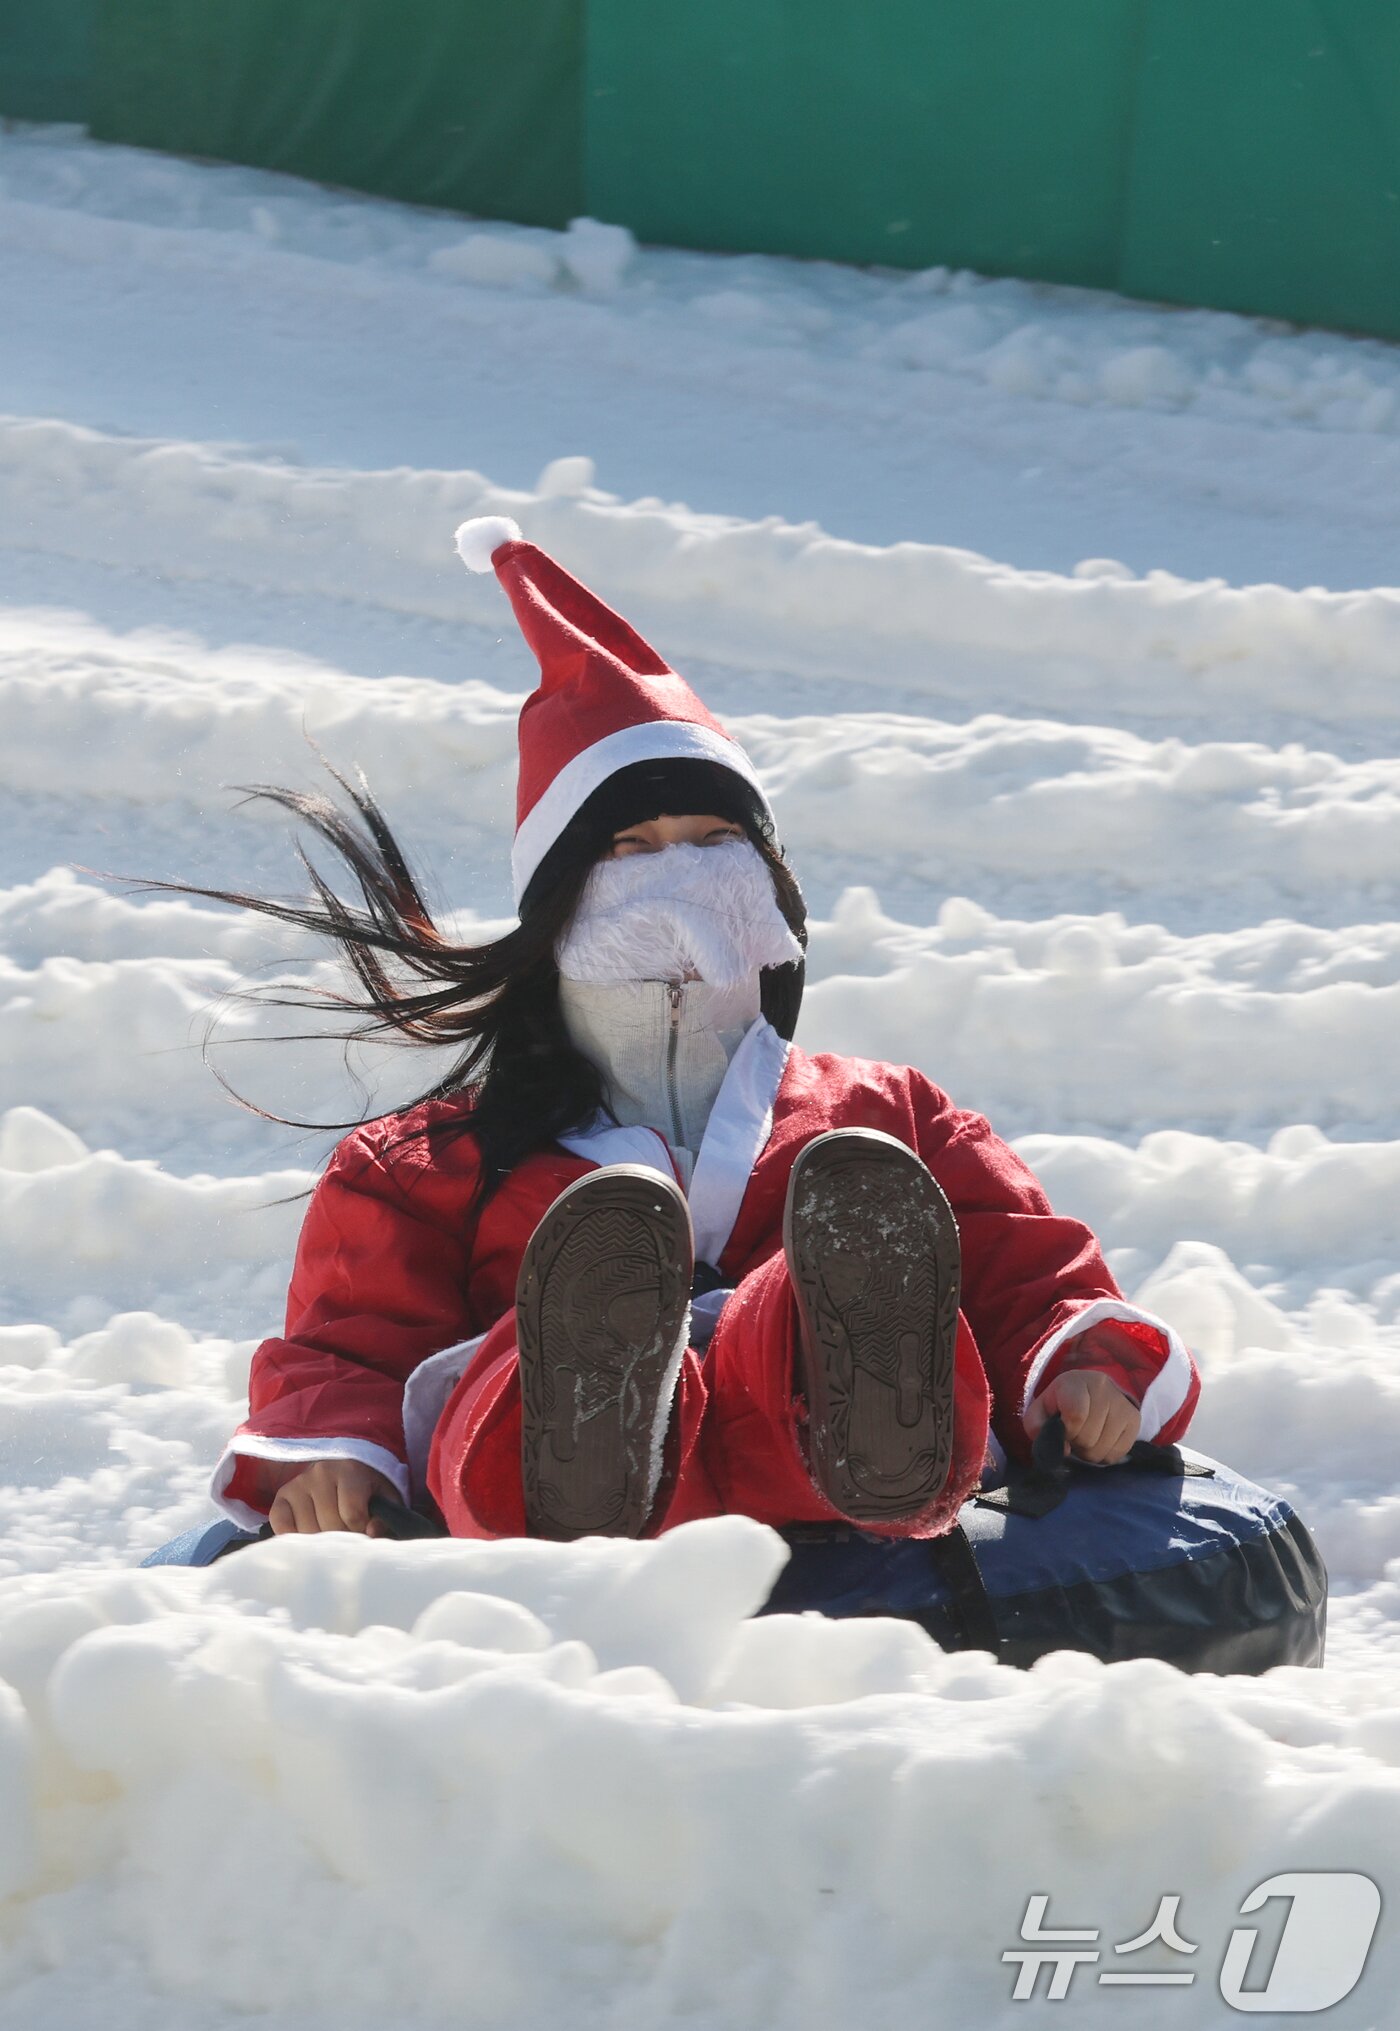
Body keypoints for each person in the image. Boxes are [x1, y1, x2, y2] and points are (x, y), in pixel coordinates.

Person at [197, 518, 1199, 1543]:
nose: (678, 875)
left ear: (766, 882)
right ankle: (587, 1385)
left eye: (716, 842)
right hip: (541, 1503)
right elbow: (350, 1348)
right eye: (630, 849)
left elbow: (1020, 1265)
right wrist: (330, 1461)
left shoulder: (886, 1119)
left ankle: (852, 1371)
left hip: (827, 1480)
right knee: (528, 1354)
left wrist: (1088, 1367)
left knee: (817, 1288)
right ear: (559, 905)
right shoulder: (419, 1166)